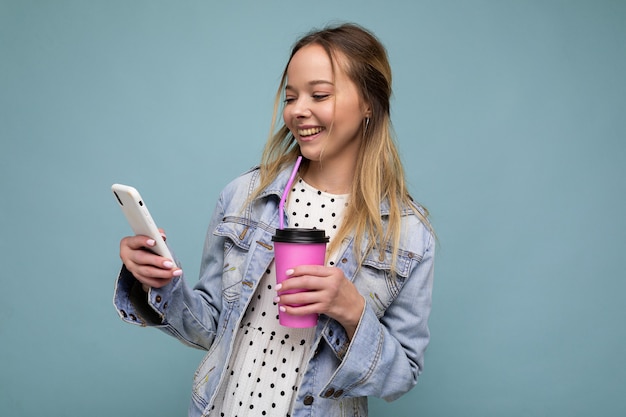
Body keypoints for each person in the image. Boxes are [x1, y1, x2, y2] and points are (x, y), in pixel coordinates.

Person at [114, 23, 435, 417]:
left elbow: (402, 376)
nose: (298, 110)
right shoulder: (244, 196)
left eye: (319, 94)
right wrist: (161, 283)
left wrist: (353, 311)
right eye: (290, 97)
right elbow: (211, 328)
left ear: (369, 102)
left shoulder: (409, 235)